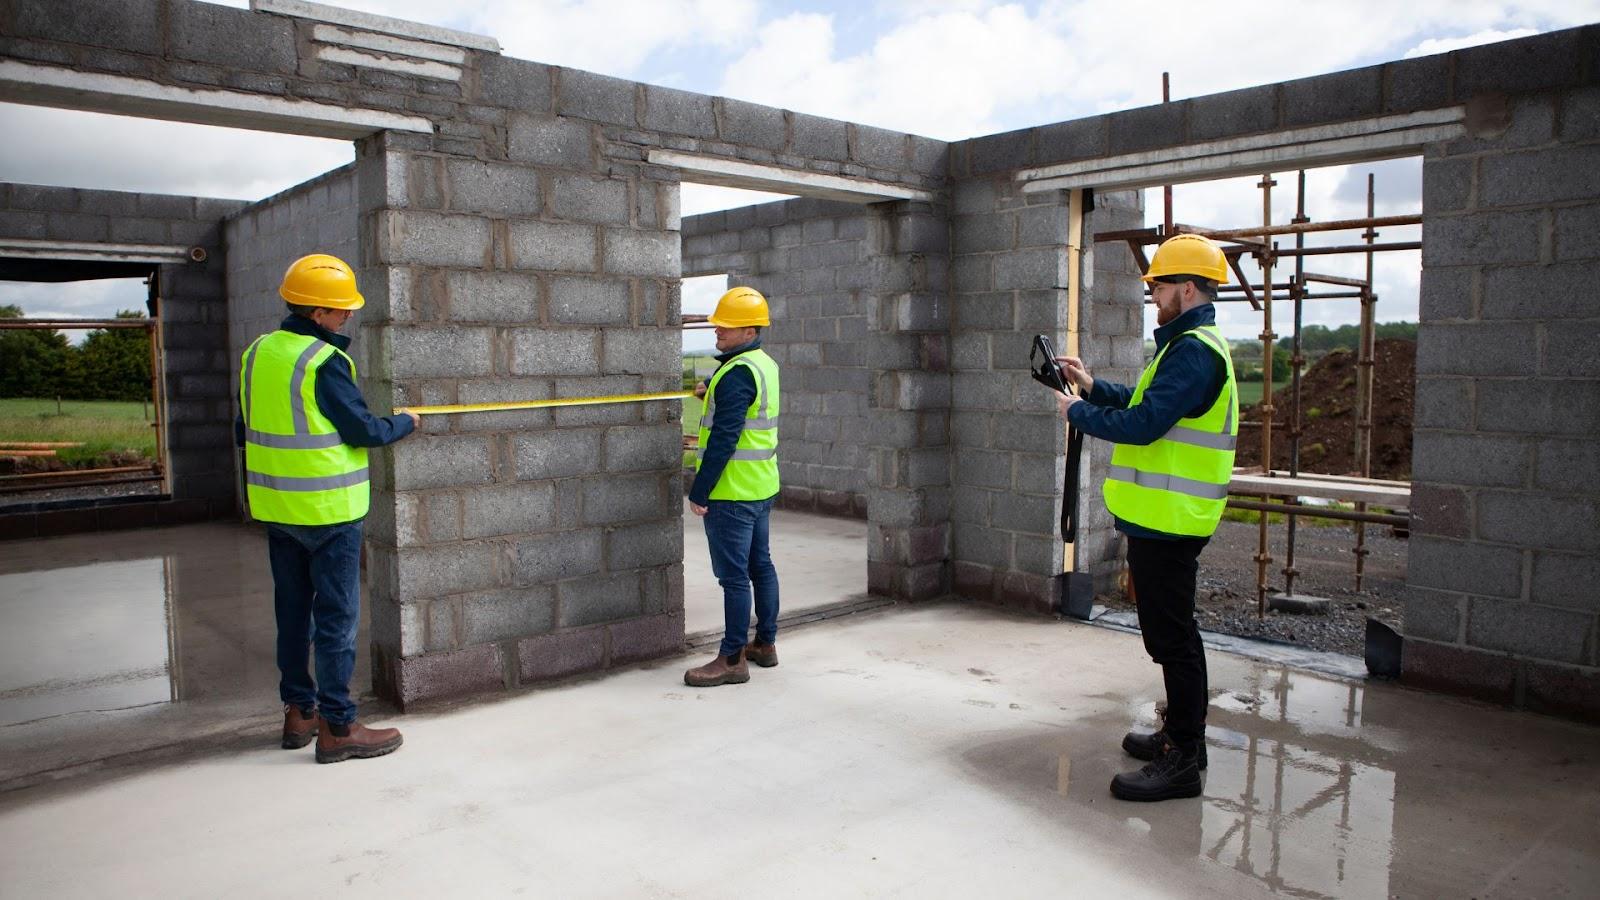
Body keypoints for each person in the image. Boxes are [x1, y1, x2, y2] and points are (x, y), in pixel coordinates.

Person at [1055, 233, 1239, 801]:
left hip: (1172, 519)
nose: (1152, 294)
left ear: (1185, 288)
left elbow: (1143, 425)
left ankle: (1183, 756)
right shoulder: (1187, 346)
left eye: (1157, 285)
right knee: (1170, 632)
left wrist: (1079, 412)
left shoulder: (1194, 351)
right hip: (1165, 517)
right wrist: (1093, 386)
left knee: (1174, 637)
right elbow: (1144, 402)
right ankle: (1184, 739)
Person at [237, 253, 419, 764]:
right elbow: (363, 430)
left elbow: (243, 429)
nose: (347, 319)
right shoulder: (324, 362)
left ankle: (299, 714)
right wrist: (406, 422)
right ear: (317, 313)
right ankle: (338, 726)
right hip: (330, 514)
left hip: (277, 509)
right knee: (337, 619)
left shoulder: (257, 354)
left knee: (293, 615)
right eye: (341, 312)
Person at [683, 286, 782, 688]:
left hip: (732, 493)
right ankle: (765, 645)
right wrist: (713, 393)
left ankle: (731, 659)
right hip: (760, 488)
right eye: (719, 322)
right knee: (761, 566)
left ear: (750, 330)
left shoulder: (737, 373)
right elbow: (741, 408)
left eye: (729, 325)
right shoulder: (760, 364)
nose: (718, 329)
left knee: (735, 577)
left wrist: (700, 490)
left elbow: (724, 439)